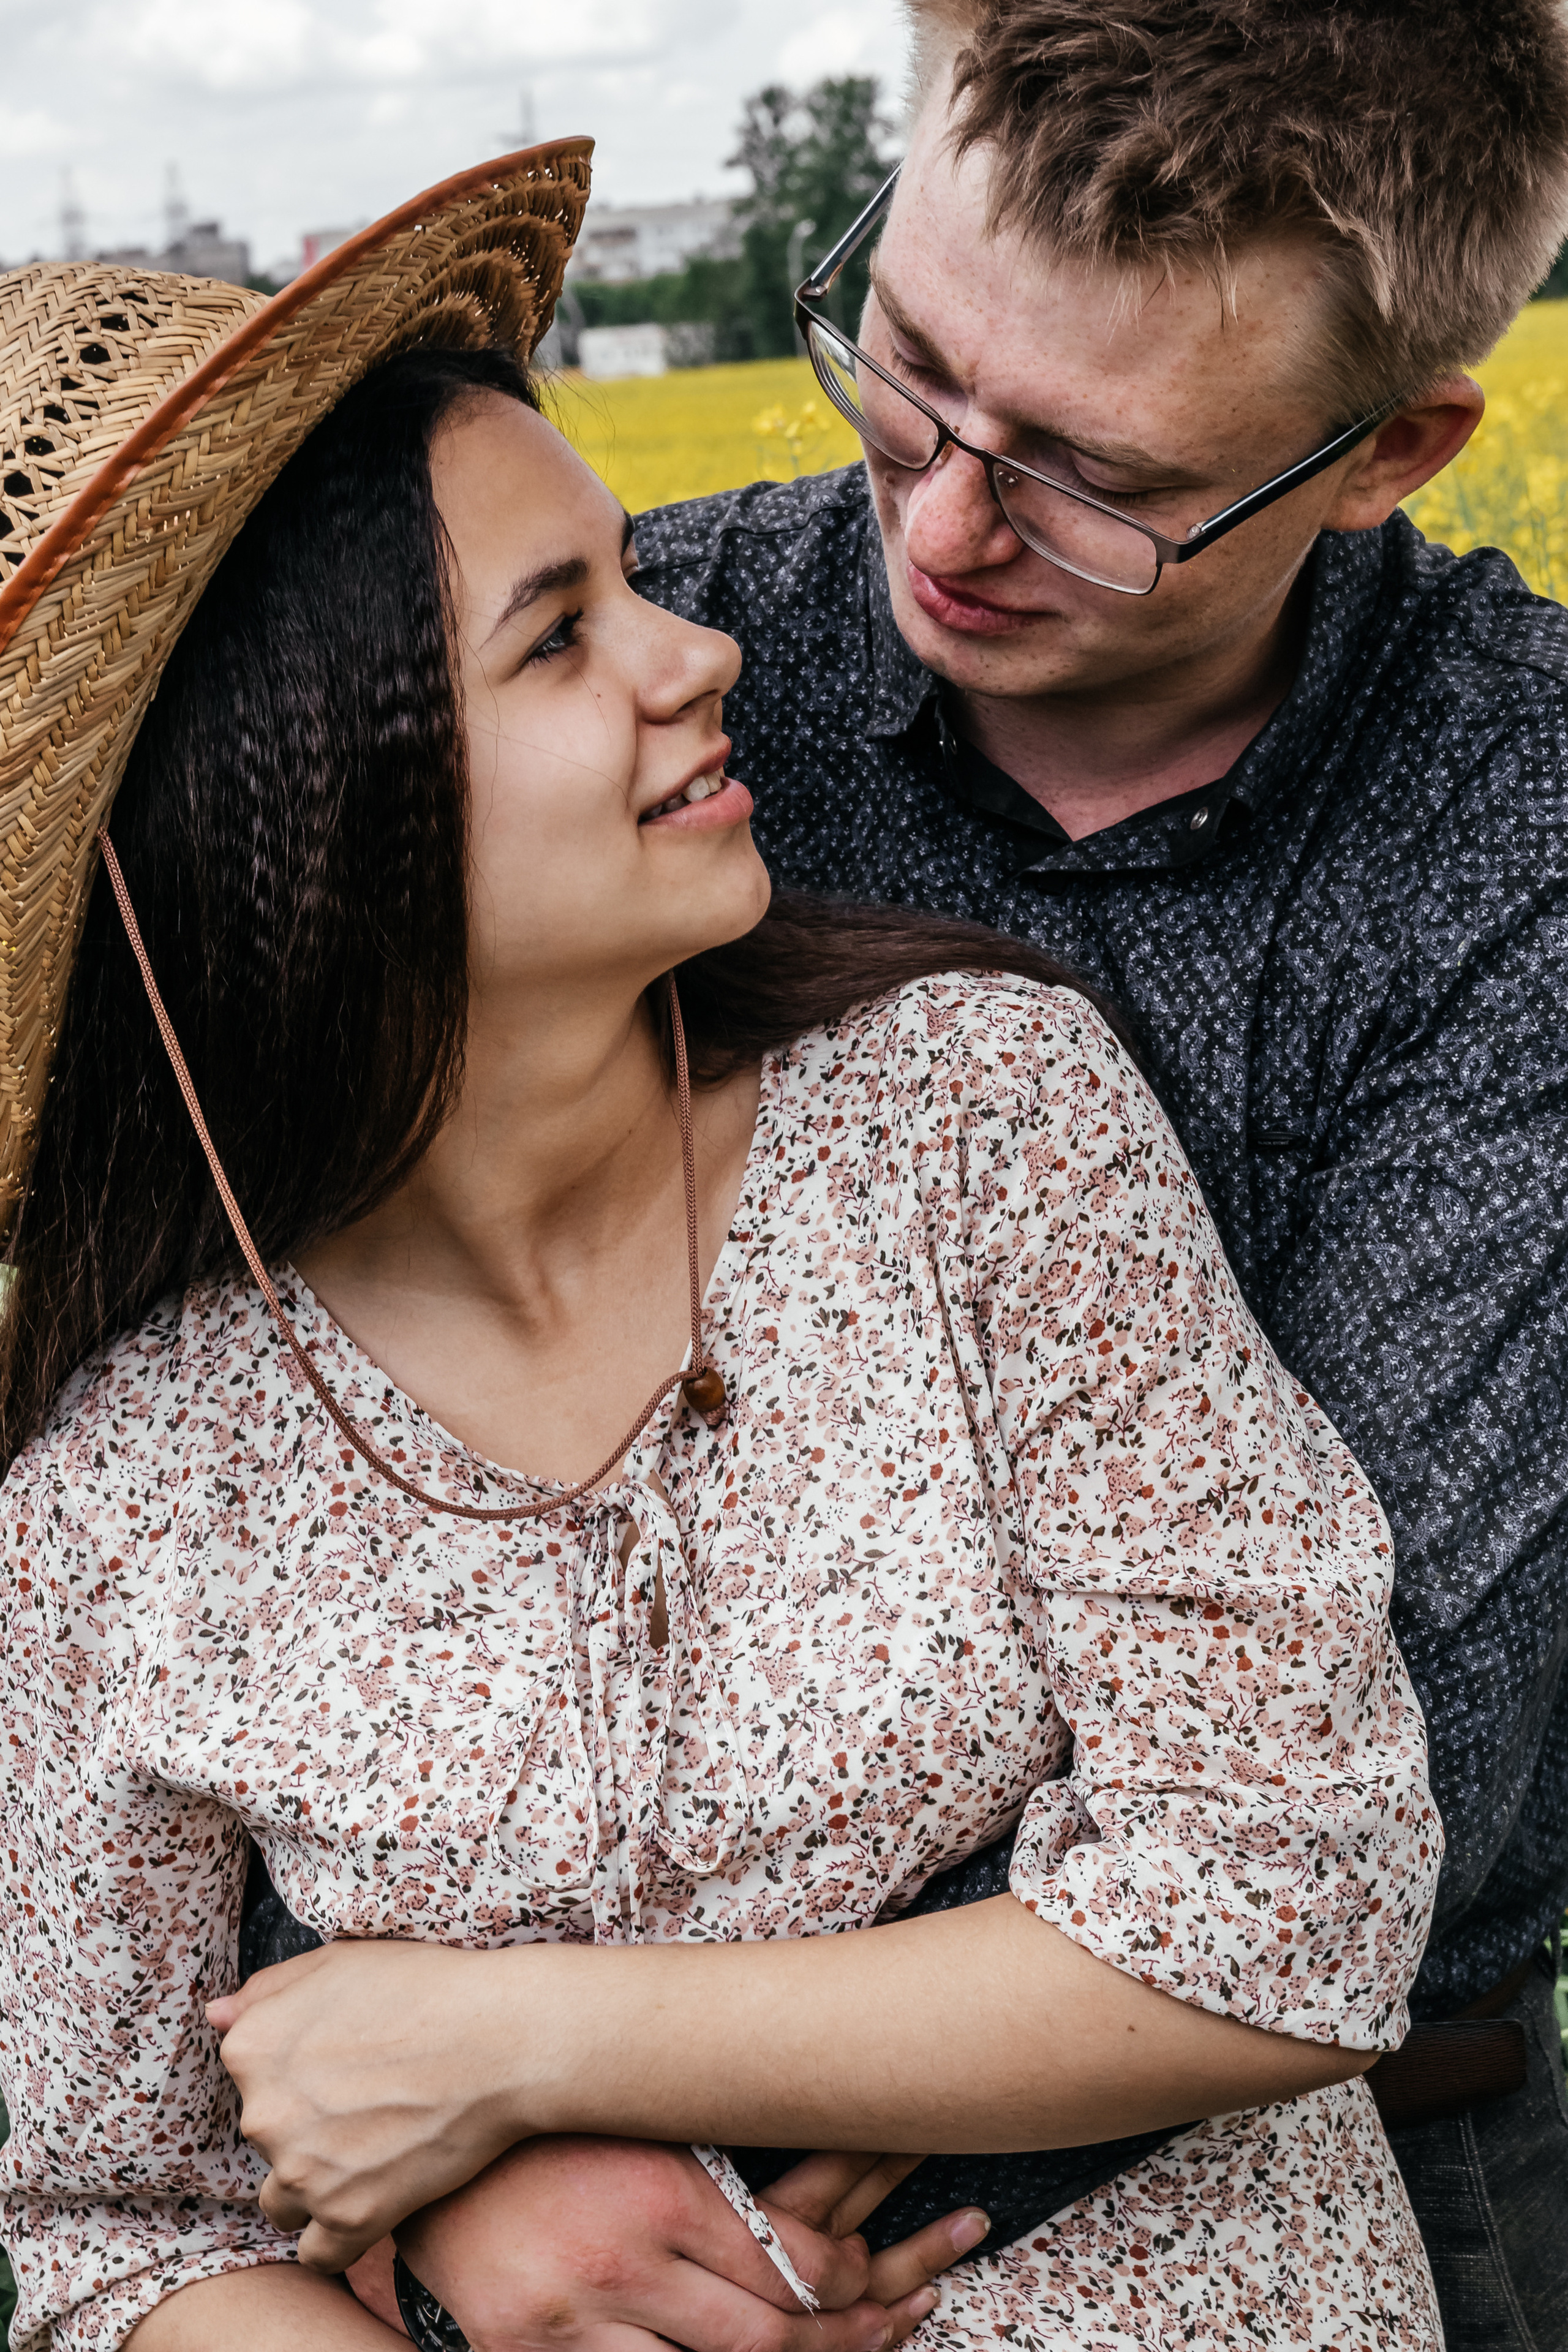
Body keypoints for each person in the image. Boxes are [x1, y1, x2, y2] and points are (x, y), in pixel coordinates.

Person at [0, 153, 1440, 2352]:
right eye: (564, 630)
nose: (708, 649)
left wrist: (509, 2055)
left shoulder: (974, 1123)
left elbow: (1296, 1906)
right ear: (290, 812)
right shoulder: (118, 1493)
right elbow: (112, 2228)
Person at [628, 4, 1568, 2343]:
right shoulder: (627, 663)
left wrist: (563, 2091)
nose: (940, 524)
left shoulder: (1527, 828)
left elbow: (1390, 1774)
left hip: (1367, 2158)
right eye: (912, 363)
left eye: (1095, 478)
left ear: (1395, 450)